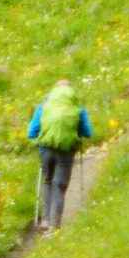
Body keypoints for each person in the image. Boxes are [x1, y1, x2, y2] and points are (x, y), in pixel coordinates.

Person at [27, 78, 93, 230]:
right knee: (59, 184)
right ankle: (54, 224)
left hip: (46, 149)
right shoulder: (77, 106)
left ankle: (44, 220)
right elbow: (88, 132)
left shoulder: (44, 105)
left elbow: (31, 132)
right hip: (66, 152)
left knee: (48, 181)